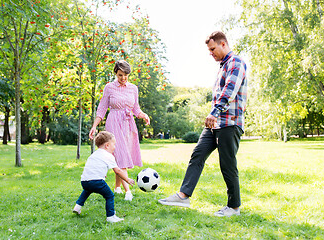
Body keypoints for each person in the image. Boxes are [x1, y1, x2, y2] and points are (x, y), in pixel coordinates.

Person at [158, 31, 247, 217]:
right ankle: (183, 196)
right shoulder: (222, 66)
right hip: (216, 123)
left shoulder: (236, 63)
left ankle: (234, 207)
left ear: (223, 44)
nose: (211, 53)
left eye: (213, 49)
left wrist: (213, 112)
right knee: (197, 155)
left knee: (227, 164)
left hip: (229, 123)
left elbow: (230, 91)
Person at [89, 60, 150, 201]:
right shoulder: (109, 87)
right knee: (121, 156)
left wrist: (144, 115)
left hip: (128, 124)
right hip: (114, 122)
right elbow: (102, 108)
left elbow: (136, 109)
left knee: (120, 157)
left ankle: (117, 188)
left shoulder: (133, 88)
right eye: (120, 75)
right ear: (115, 73)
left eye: (126, 75)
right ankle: (128, 191)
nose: (123, 78)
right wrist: (94, 126)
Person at [73, 131, 135, 223]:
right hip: (97, 181)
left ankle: (77, 207)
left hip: (84, 180)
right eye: (113, 144)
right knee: (109, 195)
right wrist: (127, 179)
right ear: (107, 145)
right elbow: (117, 171)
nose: (114, 147)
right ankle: (111, 216)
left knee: (87, 191)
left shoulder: (94, 154)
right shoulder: (108, 156)